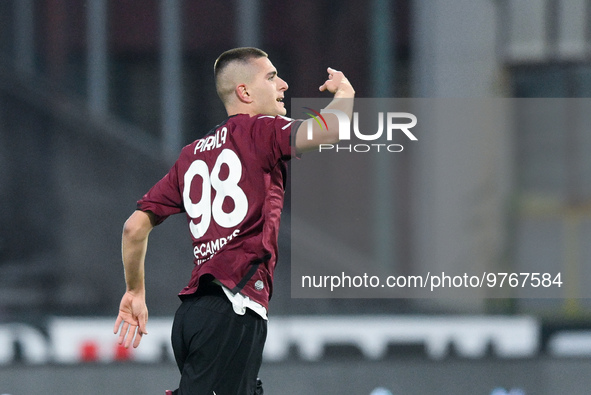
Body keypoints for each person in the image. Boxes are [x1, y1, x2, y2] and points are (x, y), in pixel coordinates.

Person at [114, 47, 355, 394]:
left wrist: (135, 291)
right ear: (244, 92)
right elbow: (329, 131)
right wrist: (345, 94)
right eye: (271, 77)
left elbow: (134, 227)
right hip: (232, 309)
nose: (284, 84)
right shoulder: (260, 130)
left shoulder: (191, 154)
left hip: (195, 315)